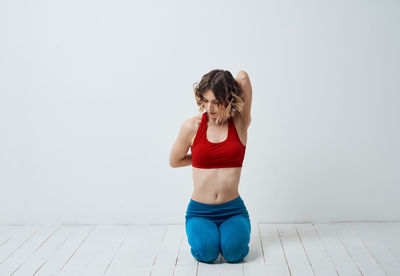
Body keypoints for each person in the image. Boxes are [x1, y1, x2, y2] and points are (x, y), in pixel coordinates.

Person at [169, 69, 252, 263]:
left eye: (216, 101)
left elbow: (243, 77)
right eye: (205, 101)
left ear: (229, 98)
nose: (209, 107)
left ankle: (229, 235)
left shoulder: (239, 123)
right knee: (207, 253)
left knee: (234, 253)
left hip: (233, 210)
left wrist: (224, 84)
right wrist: (201, 158)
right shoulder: (192, 126)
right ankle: (209, 236)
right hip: (200, 211)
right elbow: (174, 161)